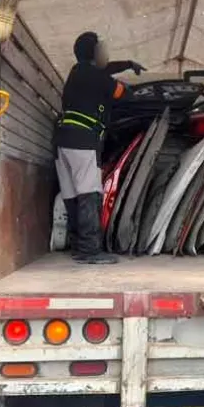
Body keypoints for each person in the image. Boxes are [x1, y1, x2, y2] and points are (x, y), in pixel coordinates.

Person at [56, 31, 145, 265]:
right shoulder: (96, 77)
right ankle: (90, 251)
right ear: (94, 53)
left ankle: (78, 246)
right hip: (82, 141)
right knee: (89, 194)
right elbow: (122, 93)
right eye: (102, 49)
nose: (106, 53)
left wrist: (127, 64)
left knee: (72, 195)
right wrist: (138, 93)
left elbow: (105, 69)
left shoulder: (79, 72)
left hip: (63, 141)